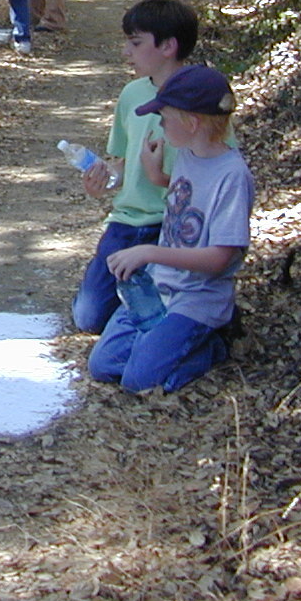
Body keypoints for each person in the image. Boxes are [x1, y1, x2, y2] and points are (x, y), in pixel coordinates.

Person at [87, 64, 254, 394]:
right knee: (103, 365)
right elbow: (188, 198)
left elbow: (222, 257)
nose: (160, 125)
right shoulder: (188, 154)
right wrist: (156, 176)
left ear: (192, 123)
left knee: (140, 380)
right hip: (160, 287)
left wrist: (150, 252)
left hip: (198, 298)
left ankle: (213, 345)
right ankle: (161, 345)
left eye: (164, 118)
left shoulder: (233, 176)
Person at [71, 0, 200, 334]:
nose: (127, 52)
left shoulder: (201, 98)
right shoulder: (132, 94)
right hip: (126, 223)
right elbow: (123, 162)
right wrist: (103, 179)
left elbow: (212, 182)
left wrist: (160, 177)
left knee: (151, 315)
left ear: (169, 46)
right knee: (88, 318)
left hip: (173, 228)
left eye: (136, 43)